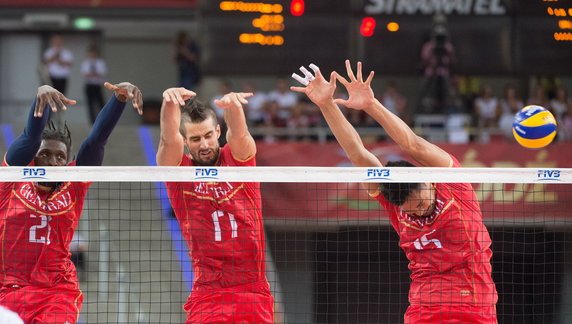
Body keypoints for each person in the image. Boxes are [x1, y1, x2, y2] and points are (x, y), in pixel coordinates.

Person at [292, 60, 498, 323]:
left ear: (428, 181)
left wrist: (371, 105)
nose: (421, 211)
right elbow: (358, 154)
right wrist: (326, 104)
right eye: (412, 209)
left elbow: (412, 144)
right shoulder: (394, 205)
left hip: (474, 307)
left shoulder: (453, 184)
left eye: (422, 202)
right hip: (424, 311)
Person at [0, 82, 143, 323]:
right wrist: (41, 98)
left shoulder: (73, 183)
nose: (53, 161)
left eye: (60, 157)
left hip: (57, 291)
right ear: (32, 159)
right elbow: (30, 137)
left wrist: (118, 100)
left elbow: (96, 142)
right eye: (45, 154)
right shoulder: (12, 177)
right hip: (10, 289)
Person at [157, 87, 274, 323]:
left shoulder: (239, 161)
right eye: (195, 139)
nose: (204, 144)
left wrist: (233, 108)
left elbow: (240, 134)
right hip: (208, 291)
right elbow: (168, 138)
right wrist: (169, 103)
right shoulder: (180, 173)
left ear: (218, 131)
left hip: (252, 288)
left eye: (208, 135)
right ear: (186, 142)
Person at [43, 34, 74, 127]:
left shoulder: (67, 53)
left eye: (59, 41)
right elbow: (45, 61)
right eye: (55, 41)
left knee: (61, 98)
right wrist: (54, 57)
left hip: (62, 78)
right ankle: (48, 120)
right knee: (50, 99)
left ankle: (60, 119)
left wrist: (59, 59)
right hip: (52, 79)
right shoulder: (49, 52)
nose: (57, 43)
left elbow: (68, 63)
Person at [81, 44, 107, 124]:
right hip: (89, 85)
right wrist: (95, 74)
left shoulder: (100, 62)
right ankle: (92, 122)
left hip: (97, 85)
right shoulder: (85, 63)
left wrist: (92, 74)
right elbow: (85, 75)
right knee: (90, 104)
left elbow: (102, 74)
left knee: (101, 104)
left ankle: (103, 121)